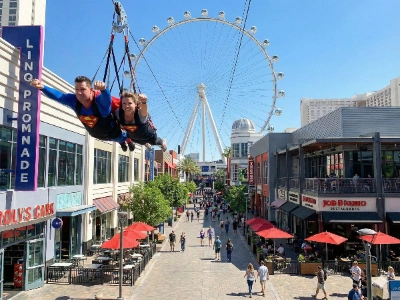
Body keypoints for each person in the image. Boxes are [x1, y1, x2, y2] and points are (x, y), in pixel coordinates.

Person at [30, 77, 134, 151]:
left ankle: (127, 141)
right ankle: (122, 143)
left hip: (113, 133)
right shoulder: (74, 101)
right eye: (77, 89)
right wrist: (42, 87)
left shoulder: (99, 102)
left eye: (83, 89)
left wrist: (103, 89)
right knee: (117, 140)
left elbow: (106, 99)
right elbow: (59, 96)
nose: (79, 93)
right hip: (96, 134)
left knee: (122, 137)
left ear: (91, 90)